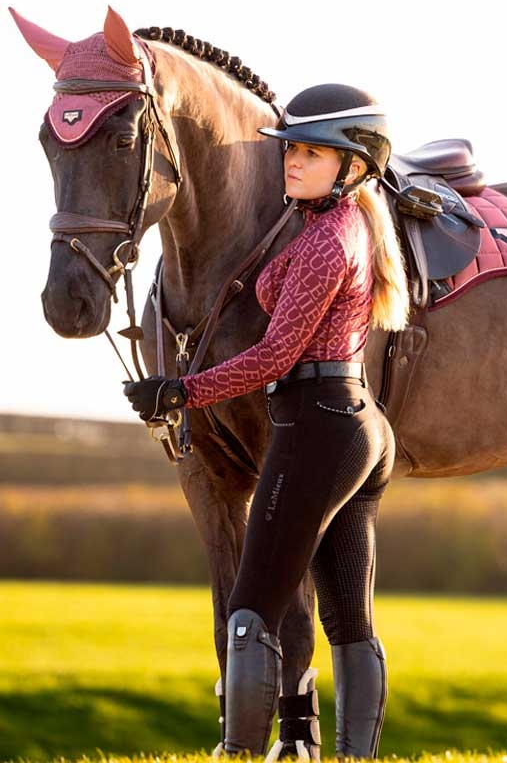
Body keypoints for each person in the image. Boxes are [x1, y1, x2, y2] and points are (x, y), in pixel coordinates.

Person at [123, 83, 409, 759]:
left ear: (356, 166)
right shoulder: (348, 226)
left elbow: (276, 355)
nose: (292, 162)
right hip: (355, 425)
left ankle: (242, 752)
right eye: (291, 151)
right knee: (349, 621)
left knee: (252, 611)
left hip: (316, 428)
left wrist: (180, 392)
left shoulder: (322, 245)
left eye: (312, 153)